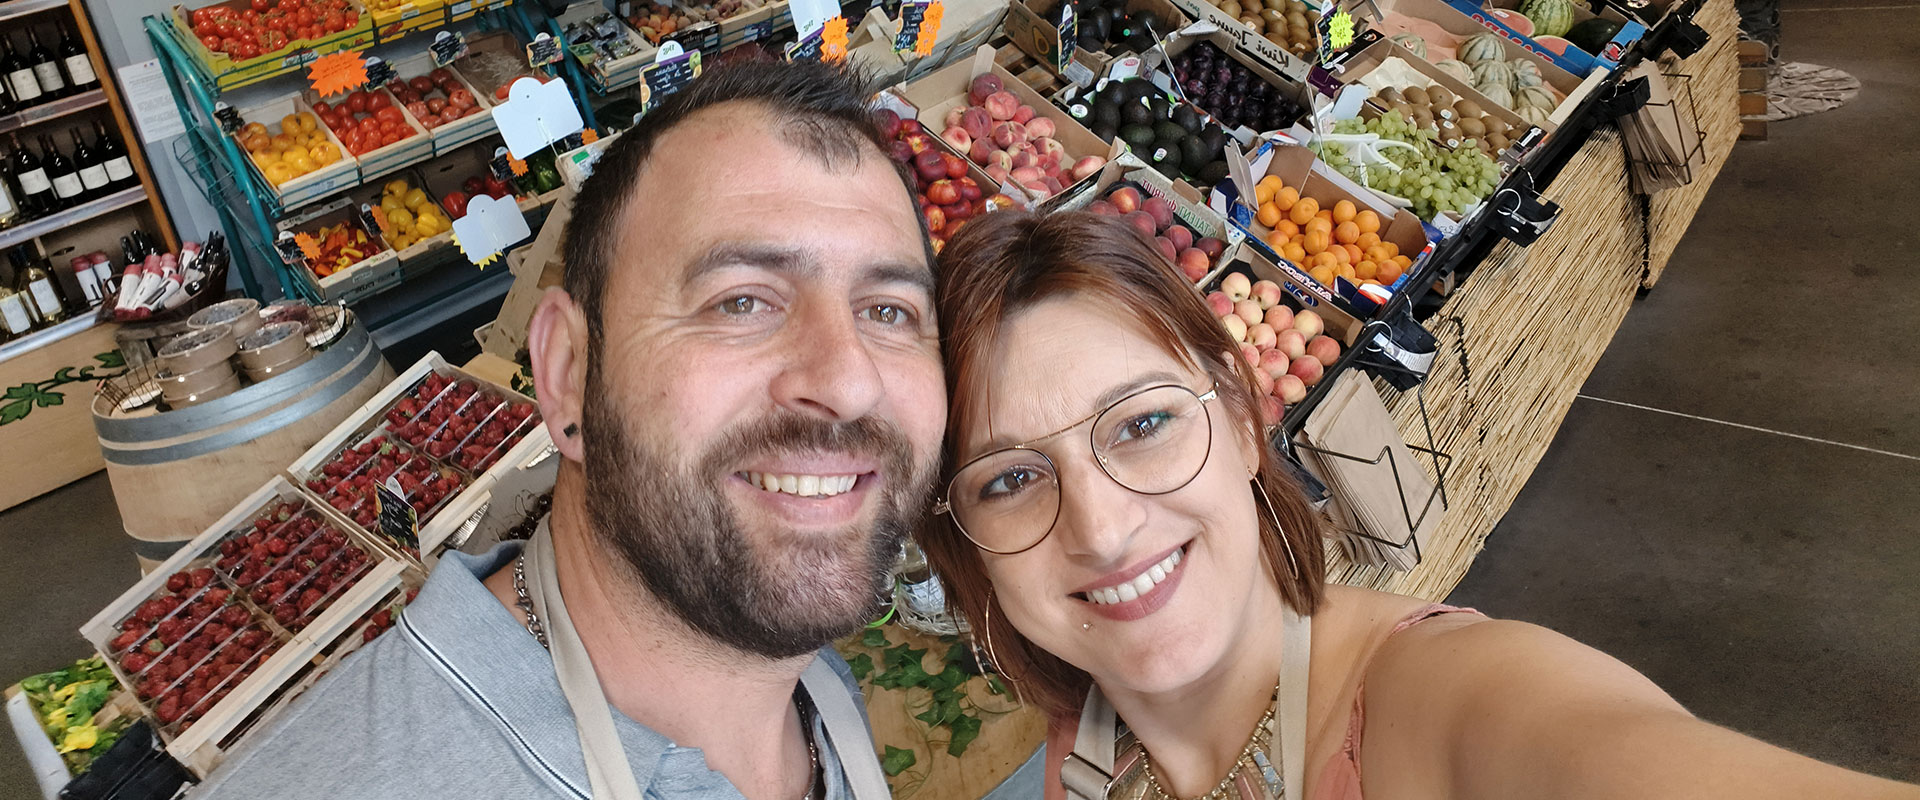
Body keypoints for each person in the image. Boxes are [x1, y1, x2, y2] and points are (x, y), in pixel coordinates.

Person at [919, 209, 1920, 800]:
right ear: (964, 542)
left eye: (1140, 424)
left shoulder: (1437, 705)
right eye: (1009, 478)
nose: (1100, 525)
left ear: (1235, 416)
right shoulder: (1087, 741)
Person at [192, 60, 946, 800]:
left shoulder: (819, 694)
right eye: (741, 301)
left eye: (889, 311)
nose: (850, 384)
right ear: (566, 374)